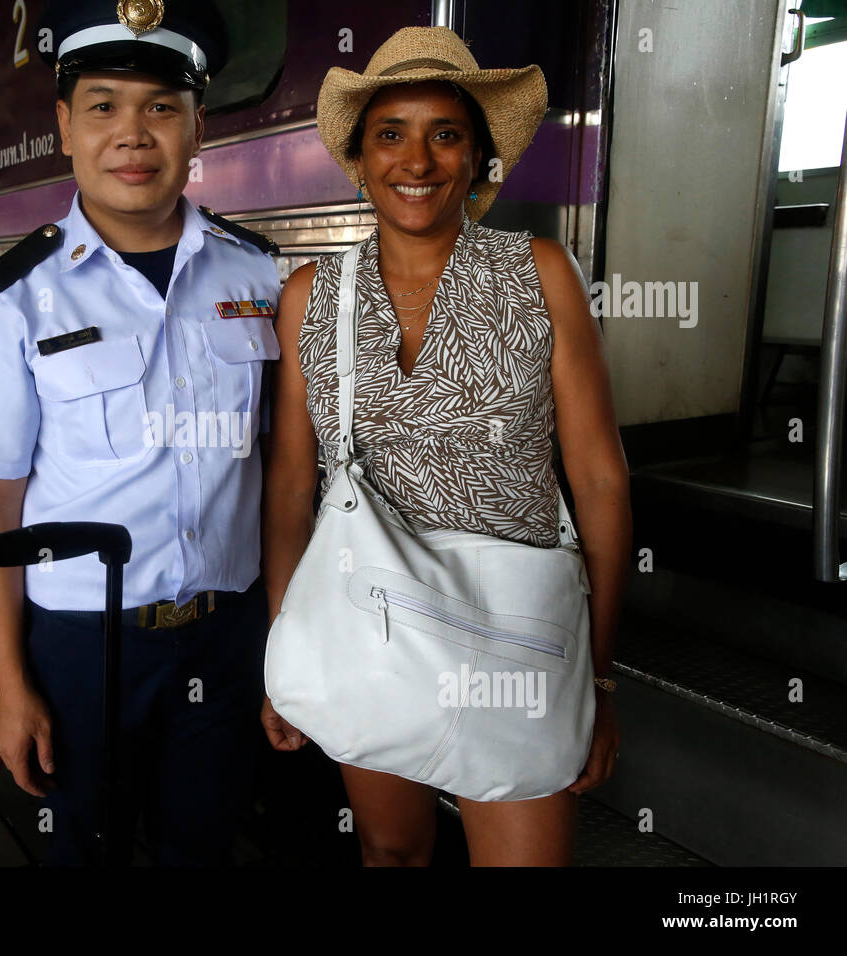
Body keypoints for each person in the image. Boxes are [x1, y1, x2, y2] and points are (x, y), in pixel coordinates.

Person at [260, 27, 632, 866]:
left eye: (446, 134)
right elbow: (289, 489)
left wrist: (599, 678)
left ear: (477, 157)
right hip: (368, 631)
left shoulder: (540, 272)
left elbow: (602, 483)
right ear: (360, 155)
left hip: (517, 637)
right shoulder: (312, 296)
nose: (416, 160)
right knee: (391, 854)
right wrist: (284, 651)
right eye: (390, 134)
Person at [0, 0, 282, 865]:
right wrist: (9, 686)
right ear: (63, 126)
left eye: (162, 107)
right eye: (103, 106)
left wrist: (286, 639)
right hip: (80, 648)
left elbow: (282, 470)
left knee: (201, 851)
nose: (134, 133)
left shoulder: (261, 273)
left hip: (228, 634)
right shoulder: (11, 297)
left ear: (199, 126)